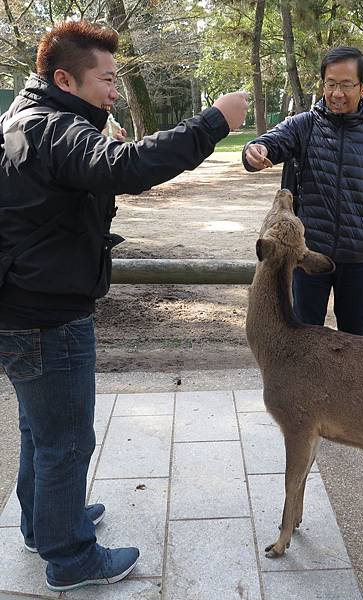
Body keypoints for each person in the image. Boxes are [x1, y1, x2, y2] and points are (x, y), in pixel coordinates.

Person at [0, 20, 248, 592]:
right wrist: (213, 122)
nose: (114, 90)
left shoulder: (22, 119)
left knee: (42, 431)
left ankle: (46, 523)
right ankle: (70, 558)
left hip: (23, 304)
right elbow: (127, 168)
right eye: (106, 79)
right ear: (65, 78)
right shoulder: (57, 128)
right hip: (47, 316)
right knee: (66, 441)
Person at [242, 46, 363, 336]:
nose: (337, 93)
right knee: (303, 337)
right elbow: (271, 142)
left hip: (356, 257)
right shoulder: (304, 125)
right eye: (330, 84)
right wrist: (255, 150)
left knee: (355, 341)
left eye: (345, 84)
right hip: (308, 257)